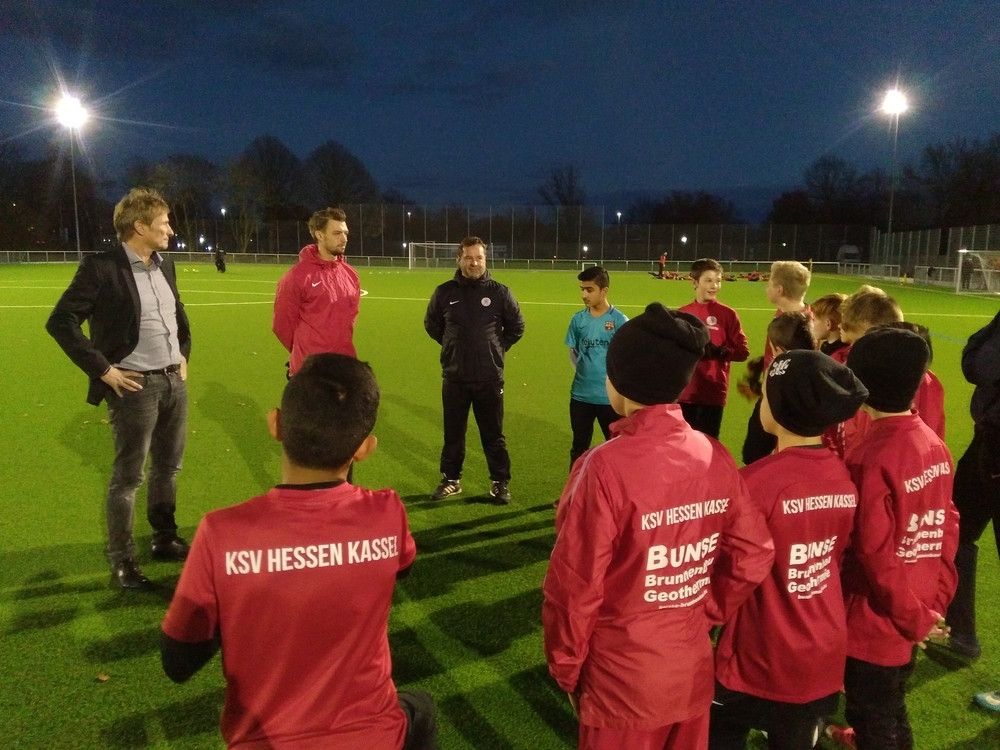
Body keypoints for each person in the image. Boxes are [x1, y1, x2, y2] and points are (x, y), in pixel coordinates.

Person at [160, 353, 437, 750]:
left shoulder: (222, 533)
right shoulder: (388, 512)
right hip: (373, 737)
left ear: (275, 424)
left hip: (265, 741)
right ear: (365, 449)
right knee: (421, 709)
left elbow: (178, 662)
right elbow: (400, 567)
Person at [543, 302, 774, 750]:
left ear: (618, 381)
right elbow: (753, 553)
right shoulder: (712, 453)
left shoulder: (602, 468)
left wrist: (565, 667)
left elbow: (574, 585)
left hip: (621, 682)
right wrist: (704, 611)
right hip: (689, 670)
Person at [711, 350, 868, 750]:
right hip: (820, 654)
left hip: (758, 654)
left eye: (765, 395)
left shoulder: (753, 482)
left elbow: (727, 568)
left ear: (779, 409)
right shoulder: (843, 476)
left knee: (719, 734)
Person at [46, 187, 191, 590]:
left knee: (168, 468)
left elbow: (176, 314)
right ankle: (122, 560)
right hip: (134, 387)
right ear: (140, 226)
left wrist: (183, 353)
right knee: (128, 478)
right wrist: (103, 370)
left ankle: (163, 537)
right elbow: (61, 321)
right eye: (164, 223)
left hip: (174, 382)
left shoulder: (165, 265)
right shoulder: (101, 268)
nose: (170, 230)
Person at [841, 328, 959, 750]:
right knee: (891, 703)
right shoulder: (933, 443)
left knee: (873, 715)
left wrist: (914, 617)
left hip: (876, 619)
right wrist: (935, 602)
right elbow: (947, 525)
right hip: (919, 603)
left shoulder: (868, 457)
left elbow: (874, 554)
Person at [424, 237, 525, 504]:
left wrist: (496, 348)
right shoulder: (444, 292)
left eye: (479, 258)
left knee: (493, 434)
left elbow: (517, 327)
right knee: (453, 434)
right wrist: (452, 345)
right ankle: (451, 480)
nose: (474, 263)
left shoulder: (500, 292)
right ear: (459, 259)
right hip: (455, 376)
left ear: (485, 259)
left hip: (489, 377)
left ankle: (499, 483)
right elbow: (432, 325)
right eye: (468, 258)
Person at [944, 309, 1000, 660]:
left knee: (958, 531)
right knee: (957, 531)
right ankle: (960, 632)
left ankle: (962, 634)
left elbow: (977, 364)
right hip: (988, 444)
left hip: (994, 448)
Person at [273, 207, 360, 378]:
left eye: (345, 233)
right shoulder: (296, 276)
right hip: (309, 370)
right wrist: (302, 349)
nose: (344, 239)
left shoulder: (351, 275)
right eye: (337, 233)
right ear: (320, 235)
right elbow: (282, 324)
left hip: (344, 365)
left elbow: (351, 318)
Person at [678, 258, 751, 439]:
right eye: (708, 280)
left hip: (713, 392)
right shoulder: (682, 313)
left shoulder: (728, 314)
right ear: (695, 282)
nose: (715, 286)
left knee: (709, 444)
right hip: (686, 392)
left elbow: (743, 351)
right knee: (685, 444)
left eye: (718, 281)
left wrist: (722, 352)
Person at [565, 266, 627, 471]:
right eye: (582, 289)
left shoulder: (619, 321)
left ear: (604, 290)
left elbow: (625, 359)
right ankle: (575, 488)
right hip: (580, 396)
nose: (584, 295)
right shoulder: (578, 319)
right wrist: (585, 374)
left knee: (616, 449)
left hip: (610, 399)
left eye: (589, 290)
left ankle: (614, 491)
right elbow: (573, 352)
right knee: (579, 448)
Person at [740, 312, 815, 465]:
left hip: (782, 465)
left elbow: (754, 450)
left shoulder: (775, 381)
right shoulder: (823, 373)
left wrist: (762, 390)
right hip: (816, 463)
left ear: (780, 350)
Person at [762, 260, 811, 369]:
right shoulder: (783, 312)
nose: (767, 290)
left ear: (779, 290)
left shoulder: (805, 325)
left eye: (769, 285)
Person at [810, 292, 848, 359]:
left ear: (828, 324)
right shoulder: (828, 347)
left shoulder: (837, 357)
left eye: (813, 320)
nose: (811, 324)